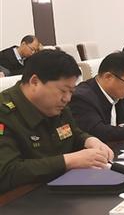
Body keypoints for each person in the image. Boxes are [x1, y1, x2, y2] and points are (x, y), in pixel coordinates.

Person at [0, 50, 114, 193]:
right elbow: (7, 172)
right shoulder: (4, 113)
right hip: (21, 198)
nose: (67, 99)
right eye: (63, 91)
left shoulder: (56, 105)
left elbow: (70, 133)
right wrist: (69, 161)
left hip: (61, 187)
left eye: (71, 91)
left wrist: (88, 140)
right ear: (34, 82)